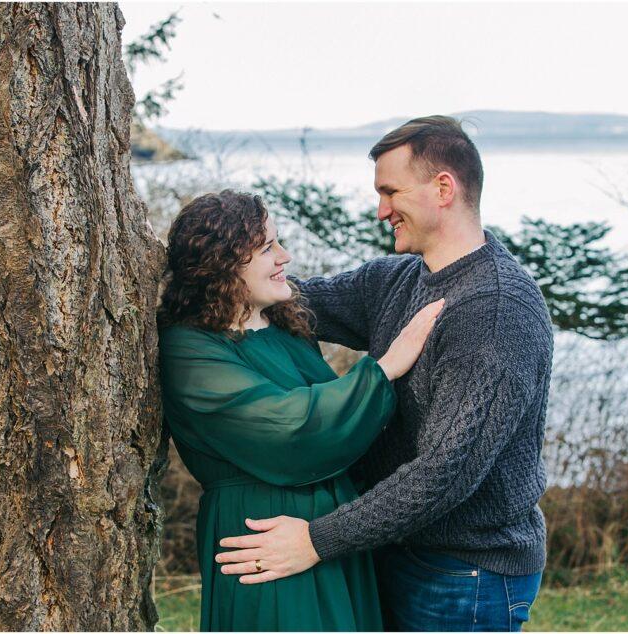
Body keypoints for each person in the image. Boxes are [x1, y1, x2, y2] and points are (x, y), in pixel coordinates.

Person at [215, 116, 554, 632]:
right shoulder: (397, 278)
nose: (381, 211)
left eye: (390, 192)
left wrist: (315, 539)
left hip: (466, 574)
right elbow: (295, 300)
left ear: (444, 188)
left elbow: (444, 473)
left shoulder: (495, 311)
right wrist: (204, 273)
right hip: (396, 550)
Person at [157, 189, 444, 631]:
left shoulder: (285, 325)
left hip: (326, 535)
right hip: (261, 535)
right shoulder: (189, 348)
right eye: (268, 247)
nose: (284, 256)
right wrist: (384, 368)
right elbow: (287, 426)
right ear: (223, 261)